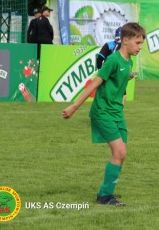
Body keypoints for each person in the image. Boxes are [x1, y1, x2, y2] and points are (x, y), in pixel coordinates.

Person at [62, 22, 146, 206]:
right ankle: (105, 195)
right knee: (120, 152)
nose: (140, 47)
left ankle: (107, 191)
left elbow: (117, 81)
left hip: (117, 113)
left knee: (122, 154)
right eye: (138, 43)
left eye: (141, 43)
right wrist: (74, 107)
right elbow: (94, 84)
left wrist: (128, 75)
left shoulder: (127, 61)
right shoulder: (113, 60)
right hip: (103, 112)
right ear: (125, 40)